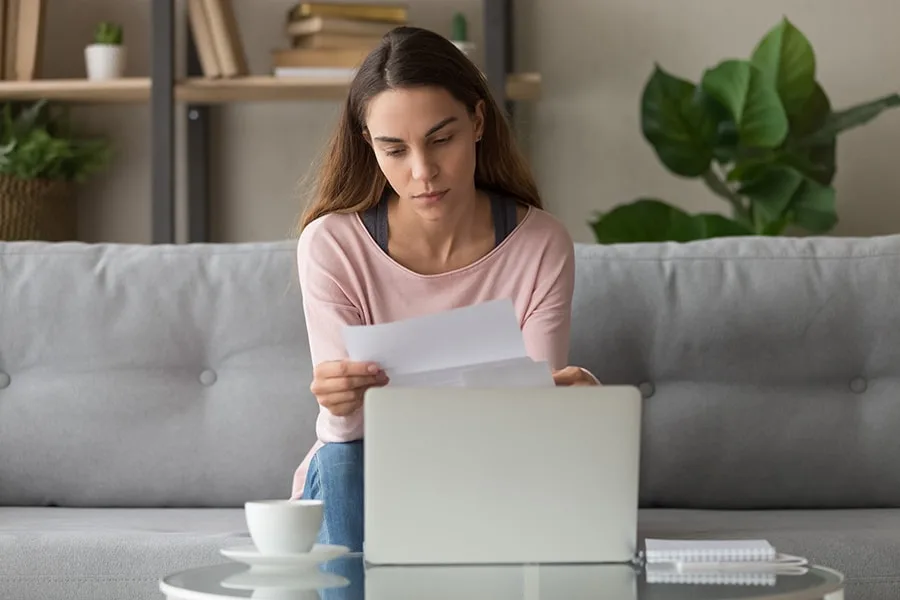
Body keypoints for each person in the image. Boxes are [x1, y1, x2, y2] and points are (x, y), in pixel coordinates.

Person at [290, 26, 599, 552]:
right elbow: (349, 434)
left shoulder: (540, 245)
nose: (423, 172)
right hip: (361, 468)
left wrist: (577, 404)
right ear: (369, 146)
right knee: (344, 459)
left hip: (487, 471)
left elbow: (526, 429)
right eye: (394, 150)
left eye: (441, 139)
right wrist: (337, 409)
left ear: (477, 122)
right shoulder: (332, 245)